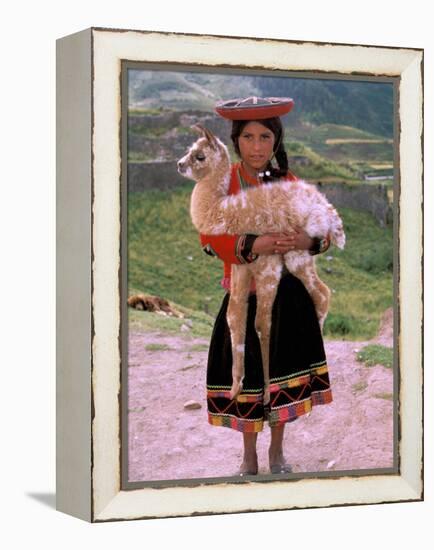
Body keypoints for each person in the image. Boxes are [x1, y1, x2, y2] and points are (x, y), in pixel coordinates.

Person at [199, 96, 333, 476]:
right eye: (249, 137)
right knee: (249, 383)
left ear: (276, 142)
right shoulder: (223, 184)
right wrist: (252, 244)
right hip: (245, 297)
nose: (257, 146)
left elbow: (322, 229)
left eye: (265, 137)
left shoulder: (289, 182)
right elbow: (208, 237)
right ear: (236, 141)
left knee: (281, 381)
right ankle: (248, 456)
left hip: (288, 299)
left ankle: (276, 451)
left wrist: (306, 242)